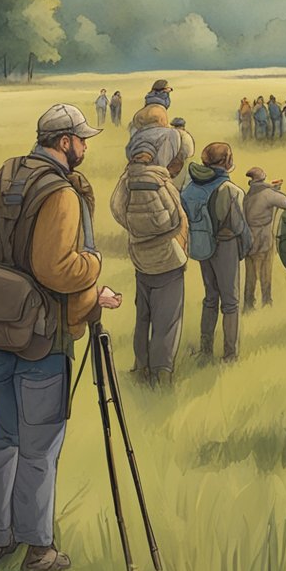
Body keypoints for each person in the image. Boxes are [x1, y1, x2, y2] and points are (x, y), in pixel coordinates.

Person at [0, 104, 123, 571]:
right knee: (39, 445)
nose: (84, 147)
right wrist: (94, 267)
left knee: (2, 436)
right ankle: (38, 548)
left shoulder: (4, 176)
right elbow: (57, 269)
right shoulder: (61, 192)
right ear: (64, 142)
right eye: (82, 140)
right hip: (43, 334)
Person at [112, 126, 187, 386]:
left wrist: (136, 229)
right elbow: (176, 217)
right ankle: (162, 373)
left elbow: (116, 209)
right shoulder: (162, 180)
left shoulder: (126, 180)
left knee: (142, 316)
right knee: (167, 320)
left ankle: (141, 367)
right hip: (167, 259)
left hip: (139, 257)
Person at [186, 143, 252, 362]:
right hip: (226, 246)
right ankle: (230, 354)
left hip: (203, 246)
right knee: (231, 302)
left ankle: (205, 350)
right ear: (226, 161)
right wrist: (245, 247)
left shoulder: (191, 186)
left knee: (210, 297)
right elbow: (239, 226)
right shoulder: (231, 191)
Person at [243, 167, 286, 310]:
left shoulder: (248, 195)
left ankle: (248, 304)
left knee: (250, 275)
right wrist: (275, 190)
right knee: (265, 272)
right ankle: (266, 302)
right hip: (264, 239)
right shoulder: (268, 194)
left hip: (249, 241)